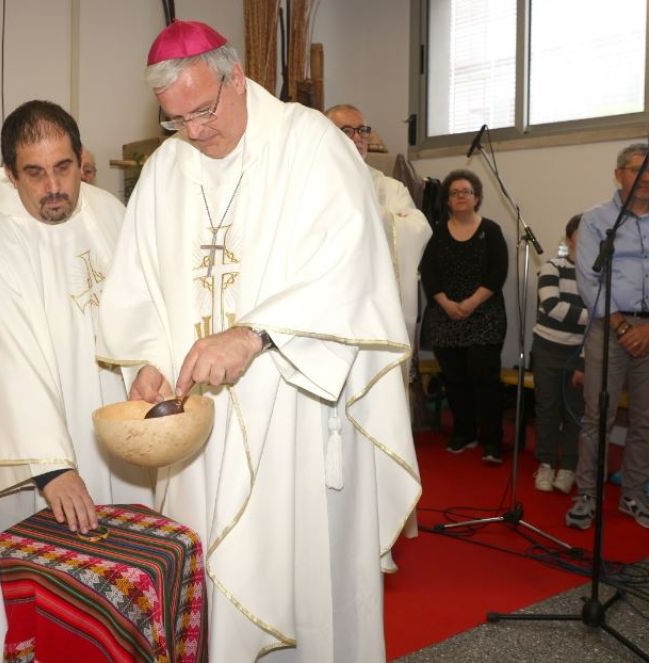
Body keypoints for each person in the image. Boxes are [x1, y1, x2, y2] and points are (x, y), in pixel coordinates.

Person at [96, 20, 420, 662]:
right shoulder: (164, 172)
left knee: (299, 578)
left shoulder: (311, 145)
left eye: (203, 110)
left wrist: (255, 333)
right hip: (199, 432)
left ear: (238, 78)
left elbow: (350, 262)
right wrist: (150, 361)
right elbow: (140, 286)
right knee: (211, 574)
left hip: (295, 408)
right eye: (175, 119)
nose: (193, 131)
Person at [0, 101, 152, 535]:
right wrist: (51, 468)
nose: (54, 186)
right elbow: (5, 364)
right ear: (10, 174)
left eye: (64, 167)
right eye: (34, 172)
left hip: (125, 440)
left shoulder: (108, 211)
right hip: (38, 471)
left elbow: (147, 304)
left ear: (80, 156)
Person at [567, 143, 649, 531]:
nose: (648, 177)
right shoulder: (596, 220)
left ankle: (634, 496)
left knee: (644, 418)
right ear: (619, 174)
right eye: (638, 169)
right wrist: (625, 328)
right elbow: (588, 280)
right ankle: (588, 495)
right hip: (608, 331)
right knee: (598, 417)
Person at [325, 104, 432, 351]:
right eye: (347, 131)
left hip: (374, 304)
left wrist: (374, 216)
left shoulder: (389, 188)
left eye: (362, 131)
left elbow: (418, 229)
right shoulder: (308, 182)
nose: (358, 138)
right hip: (328, 303)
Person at [419, 169, 508, 463]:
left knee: (485, 380)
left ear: (477, 198)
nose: (460, 196)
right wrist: (446, 304)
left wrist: (470, 304)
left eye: (466, 192)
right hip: (445, 316)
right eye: (454, 192)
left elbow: (498, 274)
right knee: (455, 380)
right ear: (447, 199)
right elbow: (429, 275)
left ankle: (492, 440)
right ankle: (464, 432)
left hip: (484, 316)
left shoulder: (491, 231)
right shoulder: (437, 233)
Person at [530, 214, 587, 493]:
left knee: (575, 412)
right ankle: (546, 464)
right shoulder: (552, 267)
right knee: (547, 408)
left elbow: (600, 329)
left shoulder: (600, 276)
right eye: (580, 233)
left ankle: (568, 468)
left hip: (581, 353)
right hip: (547, 350)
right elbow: (553, 306)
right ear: (569, 239)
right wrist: (597, 316)